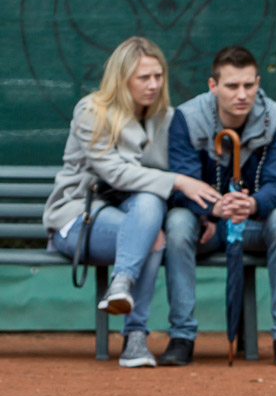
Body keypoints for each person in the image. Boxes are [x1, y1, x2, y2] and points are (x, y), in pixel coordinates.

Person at [43, 36, 219, 368]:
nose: (153, 85)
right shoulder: (92, 111)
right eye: (143, 77)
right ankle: (134, 332)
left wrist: (199, 211)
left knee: (150, 211)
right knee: (150, 231)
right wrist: (178, 181)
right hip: (78, 221)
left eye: (158, 76)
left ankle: (122, 290)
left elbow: (167, 175)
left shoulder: (166, 118)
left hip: (139, 220)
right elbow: (116, 173)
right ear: (121, 79)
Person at [163, 45, 276, 367]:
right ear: (213, 85)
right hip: (206, 227)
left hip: (253, 224)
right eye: (232, 86)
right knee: (177, 223)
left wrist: (252, 203)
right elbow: (180, 184)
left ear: (258, 82)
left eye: (249, 85)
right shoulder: (187, 117)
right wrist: (214, 208)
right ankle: (181, 336)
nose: (242, 94)